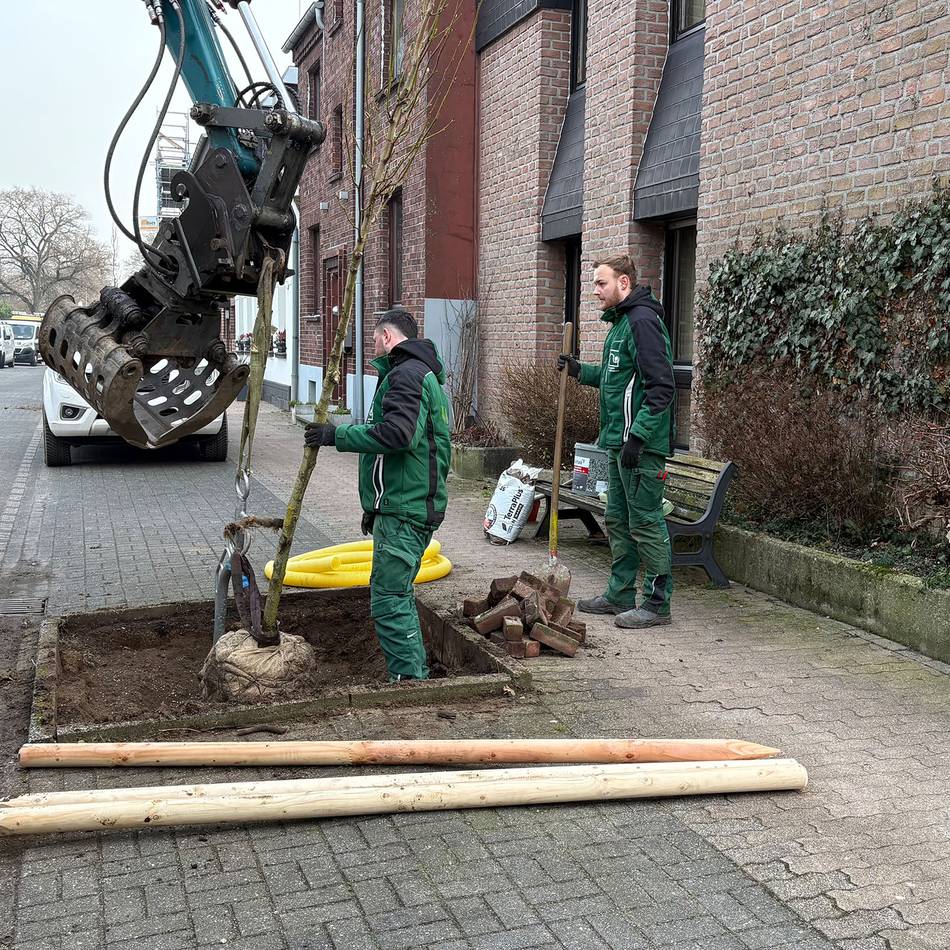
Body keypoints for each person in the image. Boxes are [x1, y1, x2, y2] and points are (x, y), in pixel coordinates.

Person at [304, 308, 451, 679]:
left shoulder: (407, 374)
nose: (372, 345)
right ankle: (413, 673)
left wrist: (336, 435)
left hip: (404, 509)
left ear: (387, 336)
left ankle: (409, 681)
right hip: (406, 505)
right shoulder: (418, 373)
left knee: (389, 598)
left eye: (374, 338)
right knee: (395, 593)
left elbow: (399, 435)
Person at [558, 254, 676, 628]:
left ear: (624, 282)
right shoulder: (621, 324)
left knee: (645, 521)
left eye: (601, 283)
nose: (595, 291)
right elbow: (617, 379)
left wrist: (637, 437)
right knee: (618, 520)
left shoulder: (642, 322)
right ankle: (620, 593)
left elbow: (661, 387)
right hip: (617, 443)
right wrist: (579, 370)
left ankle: (657, 603)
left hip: (639, 447)